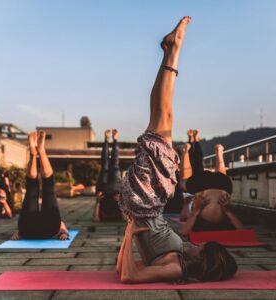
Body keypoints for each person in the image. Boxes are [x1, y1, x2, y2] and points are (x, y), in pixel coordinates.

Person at [117, 17, 237, 284]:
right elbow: (125, 268)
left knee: (161, 121)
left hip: (144, 204)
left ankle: (173, 50)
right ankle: (172, 50)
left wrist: (129, 230)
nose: (198, 244)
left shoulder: (175, 269)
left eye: (202, 247)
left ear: (202, 259)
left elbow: (126, 276)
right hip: (152, 204)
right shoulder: (179, 257)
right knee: (163, 122)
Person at [179, 130, 243, 235]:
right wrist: (227, 211)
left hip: (223, 187)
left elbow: (242, 231)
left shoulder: (223, 223)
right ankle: (185, 152)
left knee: (222, 178)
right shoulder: (198, 223)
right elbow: (184, 231)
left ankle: (219, 153)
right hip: (202, 188)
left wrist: (227, 211)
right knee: (183, 183)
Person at [11, 131, 69, 240]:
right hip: (28, 229)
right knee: (31, 188)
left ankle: (39, 152)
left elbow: (61, 225)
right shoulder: (25, 228)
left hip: (44, 229)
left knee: (49, 188)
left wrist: (63, 230)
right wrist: (63, 233)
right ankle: (36, 153)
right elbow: (62, 228)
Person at [92, 129, 122, 222]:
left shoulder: (105, 216)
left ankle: (109, 140)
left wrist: (97, 201)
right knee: (111, 165)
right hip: (114, 190)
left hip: (104, 190)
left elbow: (95, 219)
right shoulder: (117, 217)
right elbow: (126, 218)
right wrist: (120, 201)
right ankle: (112, 139)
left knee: (108, 165)